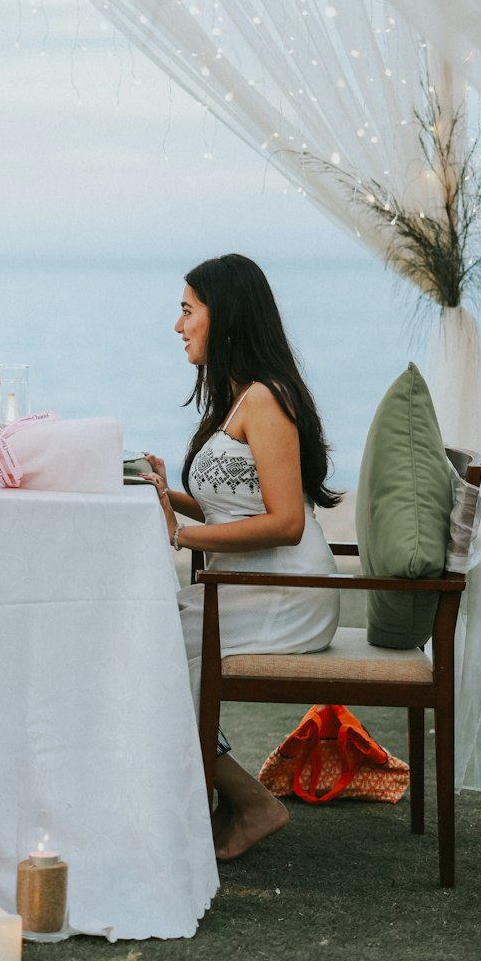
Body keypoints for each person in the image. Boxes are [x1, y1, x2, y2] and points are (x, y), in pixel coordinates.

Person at [140, 253, 342, 863]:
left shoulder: (266, 399)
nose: (178, 326)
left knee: (149, 642)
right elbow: (231, 508)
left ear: (223, 315)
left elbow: (287, 523)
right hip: (251, 583)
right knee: (144, 635)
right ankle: (219, 796)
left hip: (290, 593)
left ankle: (250, 802)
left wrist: (182, 535)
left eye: (187, 311)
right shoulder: (237, 397)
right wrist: (163, 494)